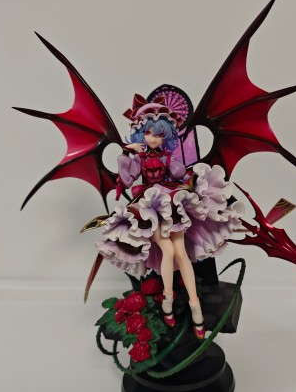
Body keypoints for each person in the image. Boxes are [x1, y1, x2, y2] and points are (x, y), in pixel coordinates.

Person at [96, 94, 243, 339]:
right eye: (148, 133)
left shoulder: (167, 157)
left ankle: (194, 306)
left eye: (159, 134)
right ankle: (167, 299)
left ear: (166, 135)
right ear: (141, 133)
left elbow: (181, 175)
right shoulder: (139, 158)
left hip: (171, 202)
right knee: (168, 251)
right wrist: (126, 154)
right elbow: (128, 179)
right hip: (150, 205)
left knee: (180, 252)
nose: (153, 138)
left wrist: (196, 184)